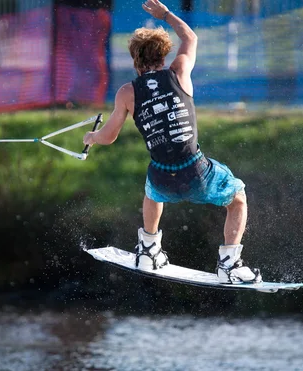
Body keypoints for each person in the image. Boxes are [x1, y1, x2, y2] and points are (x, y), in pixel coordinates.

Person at [83, 0, 261, 284]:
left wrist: (91, 137)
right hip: (196, 172)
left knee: (152, 186)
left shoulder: (127, 92)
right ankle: (229, 264)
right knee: (238, 197)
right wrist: (165, 15)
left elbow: (109, 136)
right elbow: (190, 37)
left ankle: (149, 248)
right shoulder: (179, 71)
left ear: (135, 59)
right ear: (164, 56)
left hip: (162, 177)